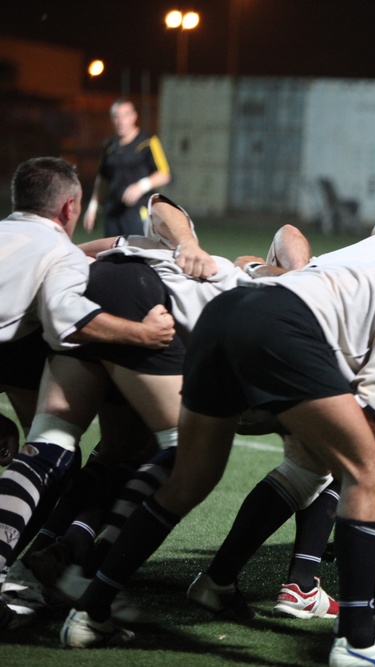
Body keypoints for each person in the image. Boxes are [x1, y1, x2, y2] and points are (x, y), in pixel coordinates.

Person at [59, 237, 375, 667]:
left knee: (190, 478)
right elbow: (369, 427)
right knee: (371, 472)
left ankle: (90, 611)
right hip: (280, 328)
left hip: (225, 313)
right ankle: (358, 642)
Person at [0, 158, 175, 631]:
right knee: (54, 452)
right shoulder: (62, 255)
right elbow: (67, 320)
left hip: (9, 353)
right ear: (69, 207)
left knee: (47, 456)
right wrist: (143, 334)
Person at [83, 99, 171, 237]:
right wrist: (93, 207)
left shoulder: (148, 141)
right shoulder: (109, 145)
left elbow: (164, 174)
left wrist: (141, 186)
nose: (120, 120)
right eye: (116, 116)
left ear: (134, 117)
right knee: (112, 254)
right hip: (112, 210)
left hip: (137, 210)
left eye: (125, 115)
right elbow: (103, 178)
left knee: (137, 254)